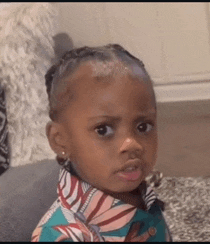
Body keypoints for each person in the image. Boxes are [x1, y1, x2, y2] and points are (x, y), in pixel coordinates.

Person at [31, 44, 172, 242]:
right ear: (60, 140)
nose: (132, 144)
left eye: (143, 127)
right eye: (103, 130)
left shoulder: (138, 192)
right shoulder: (62, 235)